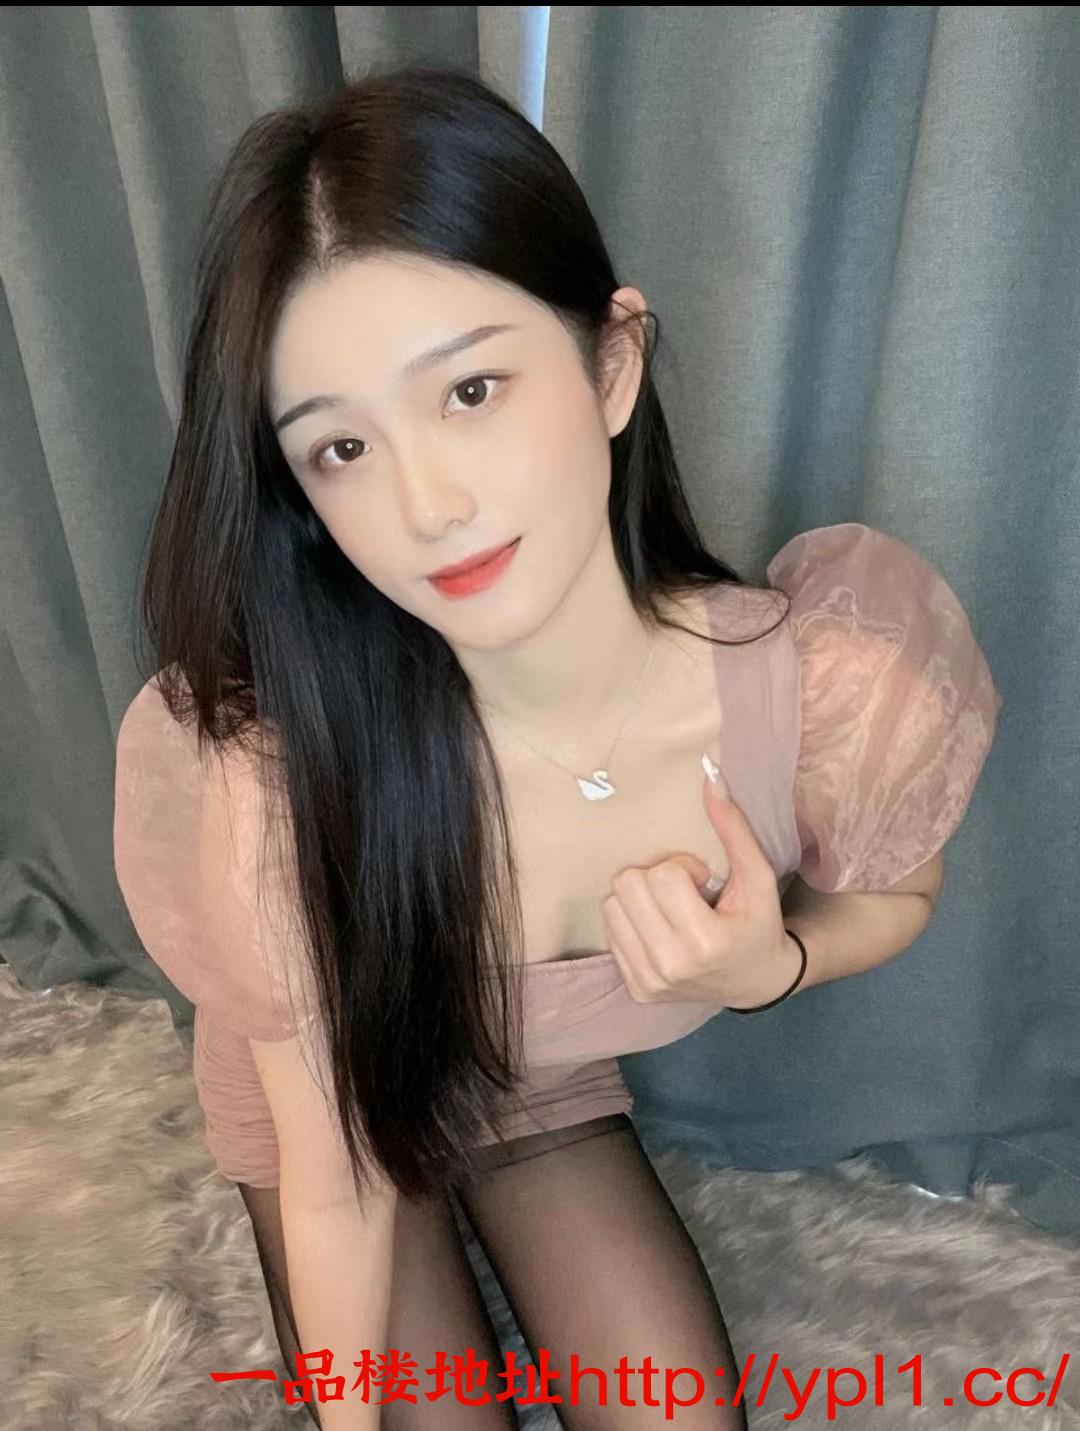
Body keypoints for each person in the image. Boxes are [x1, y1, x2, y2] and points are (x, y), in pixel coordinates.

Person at [112, 63, 1003, 1430]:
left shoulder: (827, 691)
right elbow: (339, 1186)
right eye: (340, 449)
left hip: (539, 1081)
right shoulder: (281, 799)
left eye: (470, 390)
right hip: (337, 1112)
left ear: (611, 365)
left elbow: (898, 892)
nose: (426, 504)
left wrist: (773, 963)